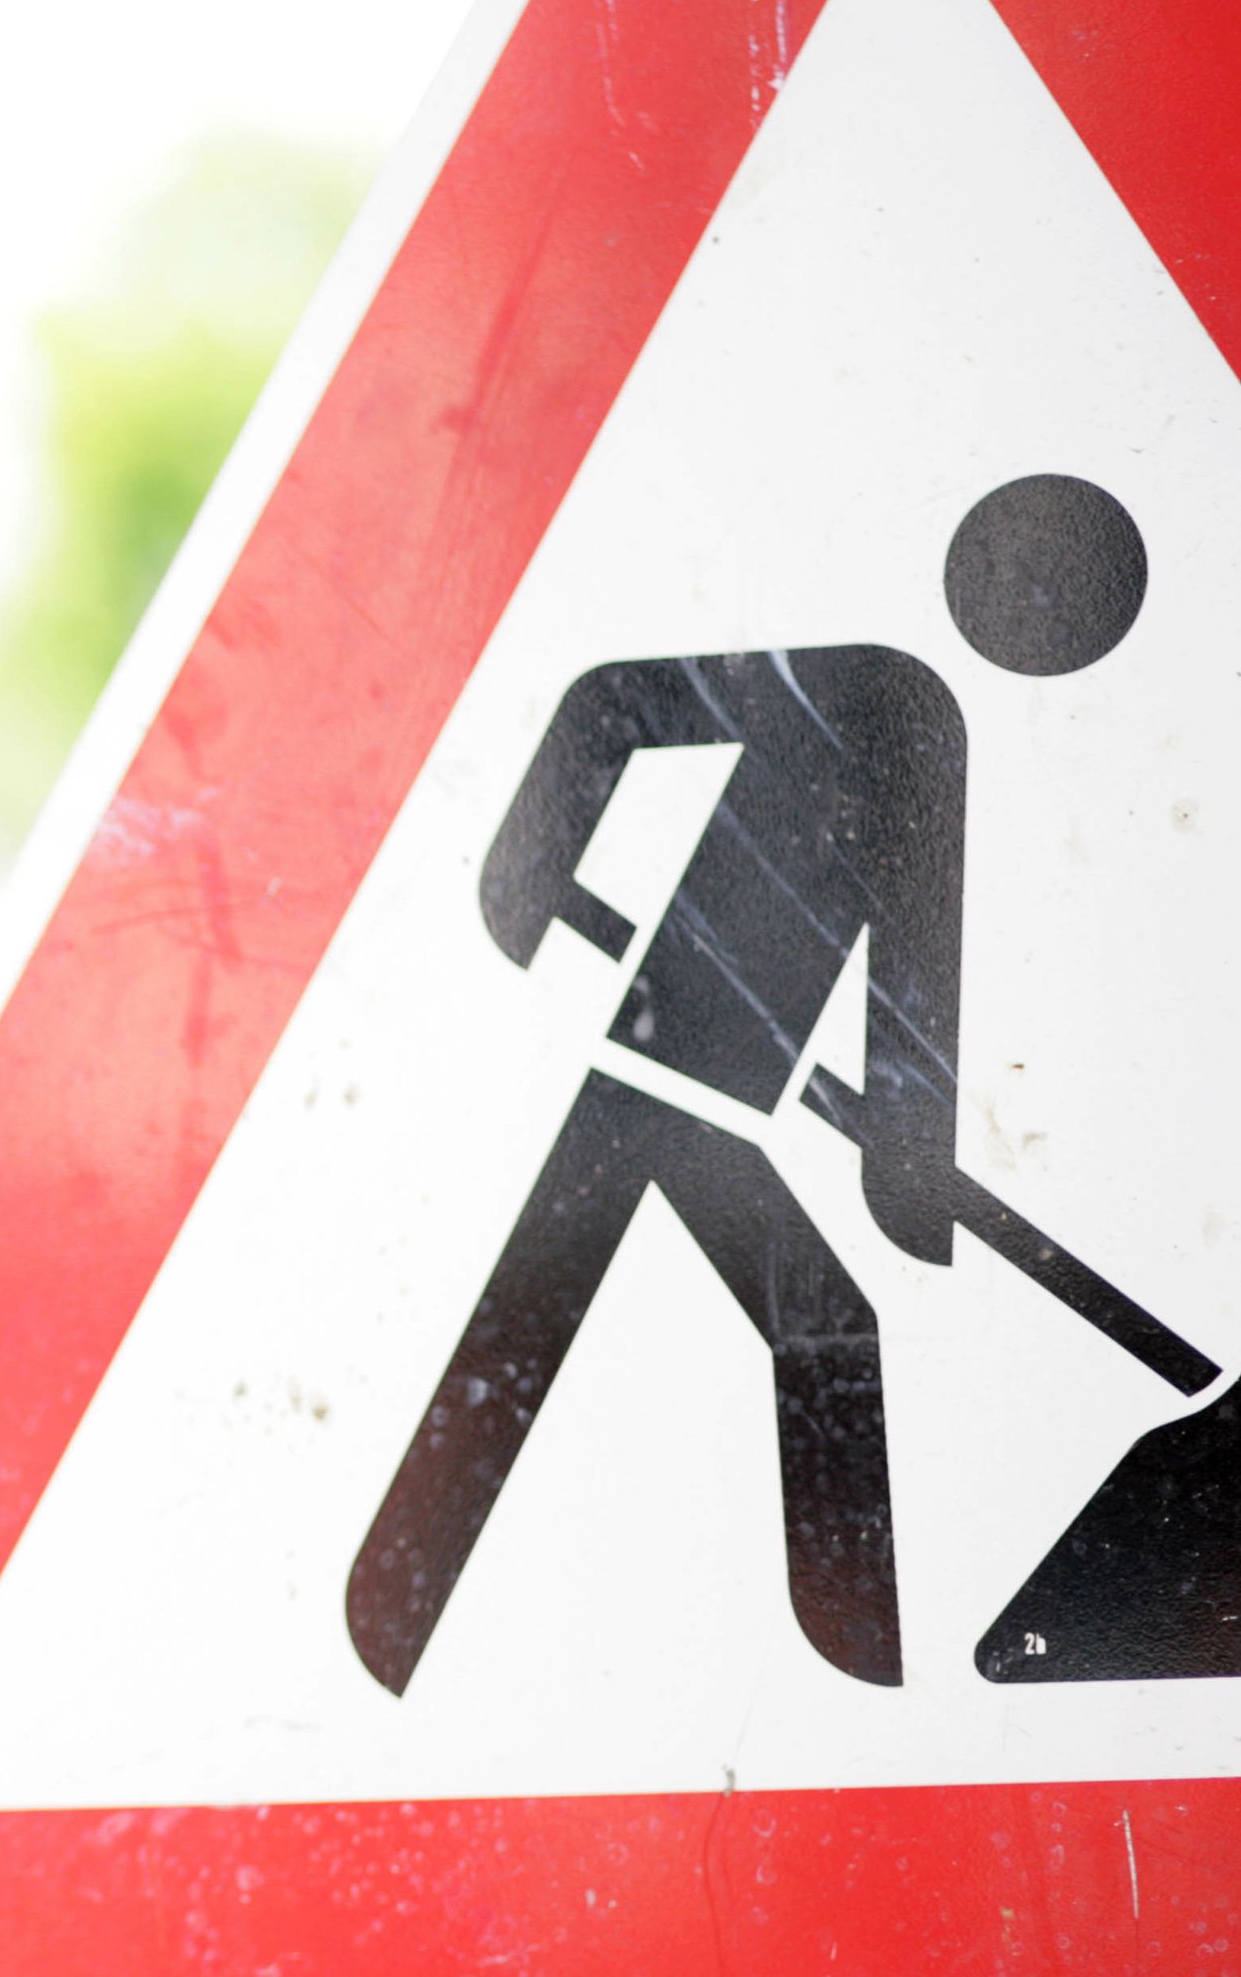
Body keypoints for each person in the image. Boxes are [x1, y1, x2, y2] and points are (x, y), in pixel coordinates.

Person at [345, 474, 1208, 1696]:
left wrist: (902, 1161)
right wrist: (560, 908)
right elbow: (601, 709)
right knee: (614, 1320)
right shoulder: (870, 691)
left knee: (720, 1322)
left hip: (710, 1112)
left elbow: (907, 1002)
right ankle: (398, 1606)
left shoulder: (917, 723)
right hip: (644, 1081)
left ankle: (847, 1656)